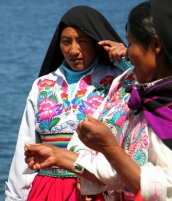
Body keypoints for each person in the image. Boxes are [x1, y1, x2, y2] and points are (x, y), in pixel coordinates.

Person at [24, 1, 172, 200]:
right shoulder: (128, 89)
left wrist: (109, 148)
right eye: (66, 41)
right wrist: (59, 156)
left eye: (131, 44)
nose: (126, 53)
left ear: (155, 45)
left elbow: (163, 189)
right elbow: (115, 173)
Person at [5, 5, 131, 201]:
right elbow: (26, 146)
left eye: (82, 41)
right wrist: (14, 197)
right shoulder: (43, 85)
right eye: (66, 42)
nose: (73, 50)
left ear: (98, 43)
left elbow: (151, 89)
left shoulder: (118, 81)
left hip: (97, 189)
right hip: (46, 189)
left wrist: (127, 60)